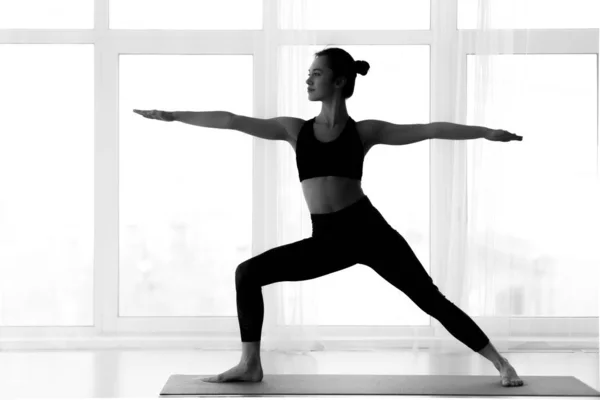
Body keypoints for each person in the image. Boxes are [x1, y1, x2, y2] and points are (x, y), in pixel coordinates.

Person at [133, 47, 524, 387]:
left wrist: (487, 132)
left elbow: (430, 129)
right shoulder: (293, 129)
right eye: (308, 74)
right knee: (247, 273)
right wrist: (174, 115)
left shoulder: (365, 131)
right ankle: (250, 364)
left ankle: (501, 362)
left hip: (370, 231)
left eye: (316, 74)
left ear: (339, 81)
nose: (308, 80)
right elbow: (233, 120)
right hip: (328, 240)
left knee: (430, 300)